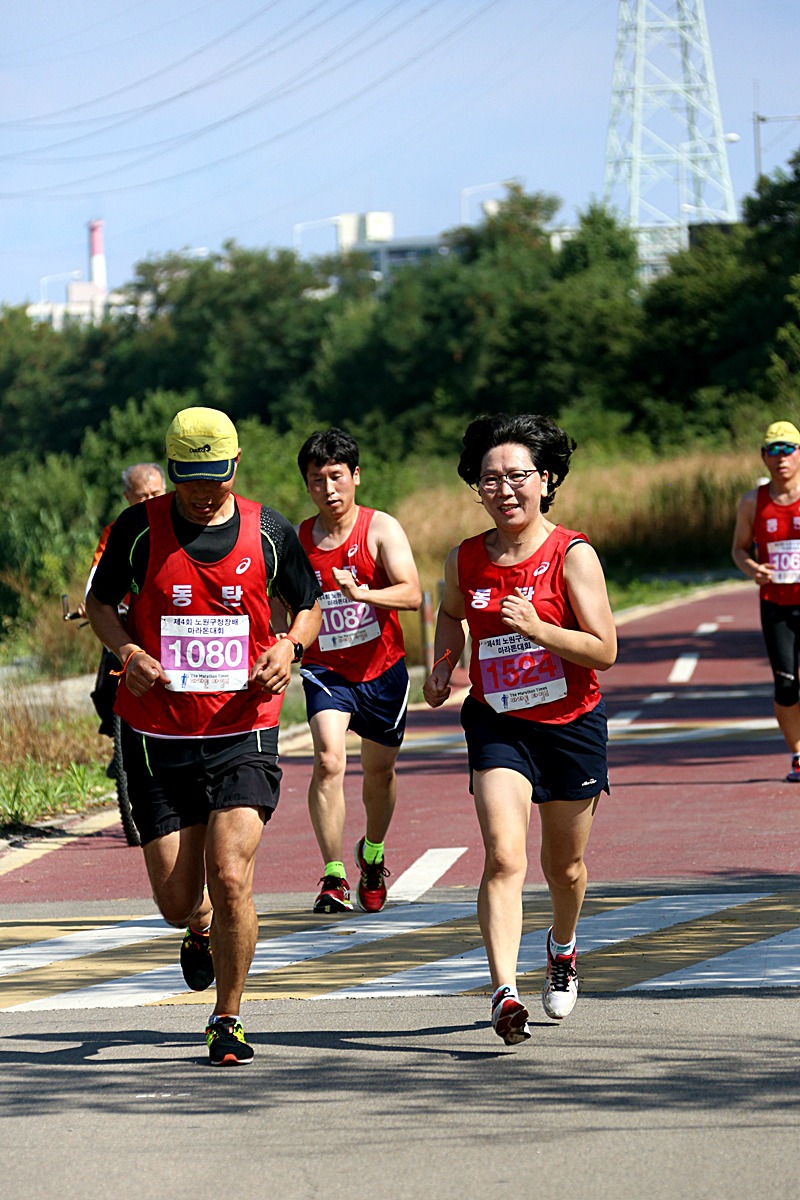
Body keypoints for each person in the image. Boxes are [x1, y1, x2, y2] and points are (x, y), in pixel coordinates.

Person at [86, 407, 321, 1065]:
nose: (201, 490)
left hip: (243, 727)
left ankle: (228, 1017)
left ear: (235, 466)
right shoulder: (139, 529)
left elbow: (310, 601)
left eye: (214, 477)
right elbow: (102, 605)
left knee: (230, 872)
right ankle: (197, 926)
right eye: (189, 477)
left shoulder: (268, 530)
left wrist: (291, 647)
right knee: (175, 901)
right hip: (156, 736)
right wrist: (129, 654)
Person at [423, 413, 616, 1047]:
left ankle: (561, 947)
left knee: (565, 868)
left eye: (517, 477)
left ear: (547, 479)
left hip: (570, 726)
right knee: (505, 855)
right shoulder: (465, 558)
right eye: (489, 479)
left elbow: (603, 650)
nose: (503, 490)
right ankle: (505, 991)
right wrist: (443, 663)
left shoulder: (573, 554)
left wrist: (539, 630)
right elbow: (451, 615)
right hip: (498, 723)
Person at [295, 428, 422, 914]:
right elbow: (287, 604)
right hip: (327, 671)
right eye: (316, 480)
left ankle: (372, 853)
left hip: (383, 671)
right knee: (328, 760)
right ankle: (332, 874)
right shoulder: (299, 540)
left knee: (379, 771)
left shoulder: (380, 529)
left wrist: (364, 593)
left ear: (356, 477)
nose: (328, 489)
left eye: (336, 477)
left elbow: (411, 594)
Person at [732, 419, 800, 782]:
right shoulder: (751, 502)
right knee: (787, 685)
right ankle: (798, 753)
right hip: (776, 603)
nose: (781, 458)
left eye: (787, 449)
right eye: (773, 451)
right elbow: (739, 550)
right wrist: (753, 569)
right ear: (763, 457)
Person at [82, 463, 167, 739]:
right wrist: (88, 601)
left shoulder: (177, 524)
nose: (151, 501)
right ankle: (118, 747)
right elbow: (96, 578)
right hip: (125, 616)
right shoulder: (118, 530)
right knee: (108, 687)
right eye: (143, 496)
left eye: (156, 493)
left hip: (163, 620)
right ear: (127, 497)